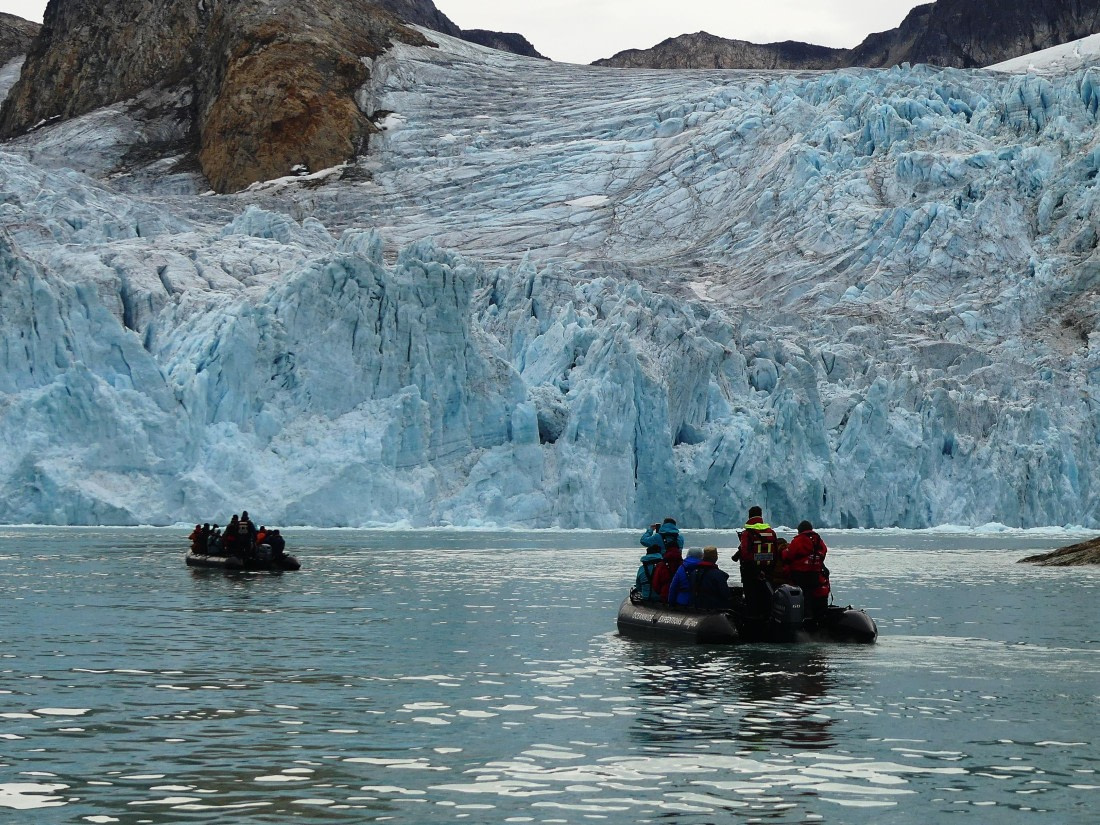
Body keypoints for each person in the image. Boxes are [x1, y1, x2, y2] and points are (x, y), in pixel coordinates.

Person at [733, 505, 779, 616]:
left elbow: (745, 554)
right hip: (768, 571)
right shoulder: (771, 532)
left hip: (751, 572)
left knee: (752, 599)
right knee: (766, 597)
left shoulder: (747, 533)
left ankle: (753, 621)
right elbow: (776, 552)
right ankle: (767, 619)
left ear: (749, 517)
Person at [783, 520, 830, 617]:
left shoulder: (798, 540)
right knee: (811, 595)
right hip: (815, 574)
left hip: (800, 574)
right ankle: (815, 616)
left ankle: (804, 616)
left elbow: (788, 555)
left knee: (804, 596)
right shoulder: (818, 540)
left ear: (800, 530)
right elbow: (823, 551)